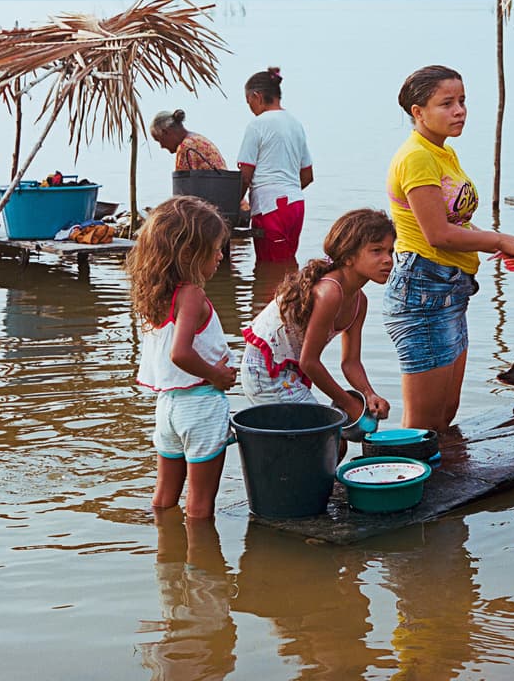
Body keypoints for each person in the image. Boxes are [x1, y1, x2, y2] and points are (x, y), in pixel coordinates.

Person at [382, 65, 514, 433]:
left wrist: (509, 240)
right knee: (423, 422)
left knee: (446, 411)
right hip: (423, 287)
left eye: (462, 101)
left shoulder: (442, 152)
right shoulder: (416, 157)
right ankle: (406, 484)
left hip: (451, 287)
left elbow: (457, 223)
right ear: (418, 112)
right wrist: (498, 241)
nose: (459, 110)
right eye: (447, 103)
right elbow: (437, 235)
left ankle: (436, 482)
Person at [128, 196, 237, 518]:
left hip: (167, 407)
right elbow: (181, 353)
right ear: (189, 253)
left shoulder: (157, 296)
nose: (220, 256)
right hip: (200, 404)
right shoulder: (191, 294)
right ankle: (202, 565)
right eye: (215, 248)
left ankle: (166, 560)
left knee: (163, 496)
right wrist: (216, 376)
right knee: (201, 506)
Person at [241, 208, 395, 423]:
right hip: (266, 370)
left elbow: (350, 362)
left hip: (290, 369)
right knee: (327, 438)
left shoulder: (360, 302)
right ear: (349, 257)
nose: (388, 259)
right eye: (377, 251)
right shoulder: (329, 293)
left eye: (391, 251)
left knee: (324, 440)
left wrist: (369, 394)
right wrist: (348, 403)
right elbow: (309, 362)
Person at [237, 67, 313, 262]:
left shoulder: (257, 124)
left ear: (257, 96)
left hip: (270, 206)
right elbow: (307, 176)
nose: (250, 108)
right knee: (287, 263)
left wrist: (232, 205)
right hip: (295, 204)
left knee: (269, 268)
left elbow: (245, 176)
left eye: (249, 102)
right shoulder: (296, 124)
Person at [149, 109, 228, 173]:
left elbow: (183, 187)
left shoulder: (185, 147)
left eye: (159, 140)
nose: (162, 146)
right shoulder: (197, 139)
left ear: (166, 132)